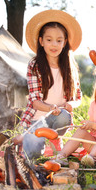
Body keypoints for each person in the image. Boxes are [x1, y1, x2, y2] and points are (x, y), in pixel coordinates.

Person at [14, 10, 82, 160]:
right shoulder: (35, 65)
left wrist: (71, 103)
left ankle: (55, 139)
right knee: (32, 155)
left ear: (64, 43)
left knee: (64, 116)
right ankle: (32, 141)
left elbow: (78, 97)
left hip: (57, 118)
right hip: (36, 119)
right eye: (49, 39)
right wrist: (50, 108)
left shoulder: (69, 66)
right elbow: (35, 102)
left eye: (59, 40)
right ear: (41, 41)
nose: (54, 45)